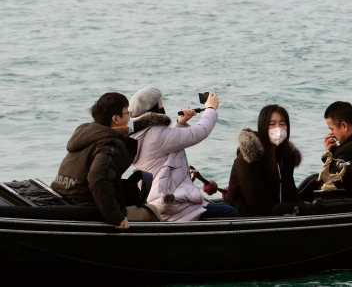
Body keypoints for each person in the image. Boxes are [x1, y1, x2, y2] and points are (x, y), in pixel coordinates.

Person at [51, 92, 160, 229]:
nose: (130, 117)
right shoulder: (110, 145)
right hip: (87, 205)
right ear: (116, 119)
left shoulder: (86, 132)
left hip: (65, 194)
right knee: (153, 211)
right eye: (127, 113)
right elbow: (98, 178)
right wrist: (115, 216)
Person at [129, 88, 238, 221]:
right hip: (172, 206)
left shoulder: (142, 133)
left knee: (226, 206)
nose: (163, 106)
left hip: (161, 200)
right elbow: (199, 132)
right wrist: (210, 109)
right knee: (231, 213)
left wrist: (181, 123)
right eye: (160, 103)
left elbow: (168, 144)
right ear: (155, 108)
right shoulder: (156, 134)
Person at [225, 105, 305, 216]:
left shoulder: (286, 155)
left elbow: (290, 191)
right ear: (262, 126)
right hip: (243, 217)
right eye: (272, 124)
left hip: (274, 213)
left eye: (282, 124)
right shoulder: (249, 158)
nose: (278, 128)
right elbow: (257, 202)